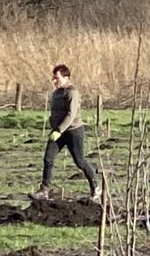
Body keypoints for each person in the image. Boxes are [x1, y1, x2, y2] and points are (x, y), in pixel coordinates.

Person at [31, 64, 102, 202]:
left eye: (56, 78)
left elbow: (71, 114)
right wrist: (53, 125)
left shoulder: (72, 92)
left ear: (66, 77)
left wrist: (59, 130)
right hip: (57, 132)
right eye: (53, 78)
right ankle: (44, 190)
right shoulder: (56, 93)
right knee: (48, 159)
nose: (54, 81)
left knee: (80, 161)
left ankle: (96, 188)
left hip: (73, 131)